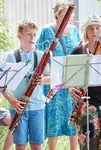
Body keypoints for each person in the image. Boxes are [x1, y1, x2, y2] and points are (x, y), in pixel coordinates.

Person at [36, 1, 81, 150]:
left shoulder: (74, 30)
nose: (69, 17)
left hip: (72, 82)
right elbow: (39, 55)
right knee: (53, 122)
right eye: (65, 14)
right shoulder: (47, 31)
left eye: (71, 14)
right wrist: (49, 74)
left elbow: (80, 53)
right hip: (55, 83)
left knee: (73, 121)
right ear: (57, 14)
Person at [1, 20, 50, 150]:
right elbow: (1, 85)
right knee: (20, 145)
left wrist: (42, 80)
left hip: (37, 106)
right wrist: (12, 101)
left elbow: (50, 78)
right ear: (19, 36)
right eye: (28, 34)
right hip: (18, 106)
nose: (32, 37)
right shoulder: (11, 56)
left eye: (34, 35)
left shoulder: (40, 56)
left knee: (37, 144)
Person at [69, 15, 101, 150]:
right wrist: (70, 89)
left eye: (98, 28)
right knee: (88, 142)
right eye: (91, 28)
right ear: (86, 32)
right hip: (86, 102)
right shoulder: (78, 50)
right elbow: (68, 77)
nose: (95, 31)